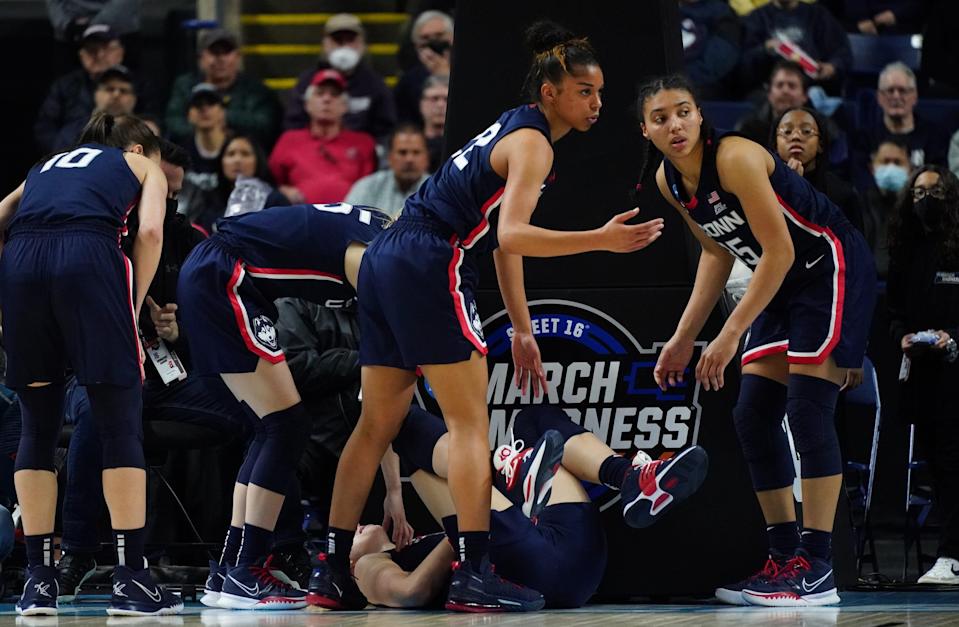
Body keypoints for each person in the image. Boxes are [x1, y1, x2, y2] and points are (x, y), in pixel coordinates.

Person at [308, 20, 665, 613]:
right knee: (470, 426)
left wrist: (522, 328)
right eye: (585, 90)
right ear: (550, 92)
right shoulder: (535, 144)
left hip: (386, 257)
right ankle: (477, 573)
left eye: (600, 91)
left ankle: (328, 569)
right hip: (428, 255)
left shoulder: (514, 127)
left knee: (376, 426)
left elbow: (504, 247)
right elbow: (514, 232)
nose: (598, 102)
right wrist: (599, 239)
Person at [640, 74, 876, 606]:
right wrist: (683, 339)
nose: (674, 125)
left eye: (682, 112)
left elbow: (781, 252)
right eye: (660, 118)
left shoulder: (737, 157)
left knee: (808, 410)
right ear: (646, 130)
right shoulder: (668, 181)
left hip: (827, 266)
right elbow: (717, 253)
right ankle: (784, 559)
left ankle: (818, 568)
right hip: (782, 281)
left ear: (700, 115)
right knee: (752, 416)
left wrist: (727, 336)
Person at [0, 113, 181, 616]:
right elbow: (147, 233)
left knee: (37, 428)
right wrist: (133, 303)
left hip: (21, 262)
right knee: (120, 426)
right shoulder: (141, 165)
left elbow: (0, 217)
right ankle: (131, 579)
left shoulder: (46, 165)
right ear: (141, 150)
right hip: (89, 257)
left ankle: (39, 581)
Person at [177, 202, 397, 610]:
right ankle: (247, 569)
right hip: (226, 276)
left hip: (219, 272)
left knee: (272, 425)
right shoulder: (378, 255)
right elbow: (383, 365)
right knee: (285, 425)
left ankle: (231, 567)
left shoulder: (377, 226)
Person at [349, 404, 708, 609]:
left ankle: (629, 477)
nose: (357, 527)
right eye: (352, 538)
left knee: (532, 420)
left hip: (575, 556)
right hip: (531, 572)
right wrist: (458, 539)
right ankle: (509, 469)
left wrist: (394, 494)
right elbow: (413, 593)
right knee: (403, 422)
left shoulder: (404, 538)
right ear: (349, 565)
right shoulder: (367, 567)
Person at [887, 165, 959, 586]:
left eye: (934, 192)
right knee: (938, 464)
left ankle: (951, 554)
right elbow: (894, 310)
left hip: (956, 372)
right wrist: (903, 337)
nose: (925, 200)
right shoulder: (906, 250)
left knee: (953, 462)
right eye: (916, 194)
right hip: (923, 375)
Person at [34, 25, 155, 153]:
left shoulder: (140, 84)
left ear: (120, 52)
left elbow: (154, 120)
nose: (100, 55)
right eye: (92, 50)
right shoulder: (65, 86)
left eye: (107, 49)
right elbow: (45, 128)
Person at [283, 13, 397, 141]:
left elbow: (386, 129)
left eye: (350, 40)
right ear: (325, 44)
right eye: (337, 40)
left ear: (362, 44)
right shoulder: (307, 82)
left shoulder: (375, 84)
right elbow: (294, 124)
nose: (344, 46)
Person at [270, 70, 377, 204]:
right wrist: (283, 190)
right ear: (307, 105)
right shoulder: (289, 140)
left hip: (349, 216)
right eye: (320, 93)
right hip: (301, 216)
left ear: (344, 106)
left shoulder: (364, 142)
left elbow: (371, 187)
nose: (326, 99)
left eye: (334, 94)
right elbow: (272, 182)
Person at [165, 29, 281, 149]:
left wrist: (223, 118)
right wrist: (206, 132)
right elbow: (173, 122)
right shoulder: (185, 85)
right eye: (214, 52)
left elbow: (266, 125)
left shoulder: (256, 90)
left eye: (226, 52)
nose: (221, 59)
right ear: (201, 58)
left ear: (237, 56)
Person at [852, 63, 949, 192]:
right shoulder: (863, 137)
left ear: (914, 96)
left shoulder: (935, 136)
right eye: (890, 91)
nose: (896, 96)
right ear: (879, 97)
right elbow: (860, 181)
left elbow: (939, 181)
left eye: (903, 90)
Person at [773, 106, 864, 233]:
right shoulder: (763, 187)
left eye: (806, 131)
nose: (795, 137)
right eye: (787, 131)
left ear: (820, 144)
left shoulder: (843, 194)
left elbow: (855, 248)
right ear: (776, 145)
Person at [740, 0, 851, 95]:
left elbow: (842, 53)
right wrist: (764, 49)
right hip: (768, 91)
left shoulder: (819, 15)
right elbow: (743, 63)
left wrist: (832, 67)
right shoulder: (756, 19)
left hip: (812, 88)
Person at [345, 123, 430, 219]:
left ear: (426, 158)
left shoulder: (436, 191)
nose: (409, 159)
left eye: (416, 152)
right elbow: (348, 224)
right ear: (390, 157)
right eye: (402, 152)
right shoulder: (367, 186)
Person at [862, 138, 912, 278]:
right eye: (885, 162)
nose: (891, 168)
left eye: (897, 162)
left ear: (910, 168)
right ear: (872, 168)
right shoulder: (859, 204)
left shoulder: (919, 207)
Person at [394, 11, 454, 125]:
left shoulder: (469, 73)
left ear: (452, 37)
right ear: (417, 45)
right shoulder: (407, 82)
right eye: (425, 38)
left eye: (439, 35)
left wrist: (445, 75)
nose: (432, 42)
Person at [214, 134, 289, 225]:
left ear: (258, 160)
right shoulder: (212, 202)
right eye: (231, 154)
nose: (237, 160)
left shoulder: (275, 201)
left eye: (245, 154)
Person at [678, 0, 743, 100]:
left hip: (704, 92)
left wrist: (677, 80)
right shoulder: (657, 11)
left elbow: (720, 60)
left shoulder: (720, 12)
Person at [419, 74, 449, 172]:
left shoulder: (466, 144)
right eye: (434, 98)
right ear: (422, 104)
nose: (440, 105)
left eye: (446, 99)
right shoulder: (408, 144)